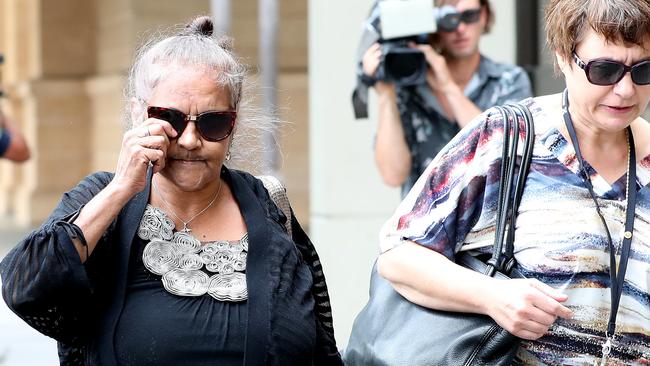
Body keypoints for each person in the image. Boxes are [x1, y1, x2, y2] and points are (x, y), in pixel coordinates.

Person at [1, 16, 342, 366]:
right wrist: (121, 188)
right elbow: (24, 287)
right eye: (171, 120)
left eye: (213, 122)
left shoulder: (268, 207)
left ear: (233, 123)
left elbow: (320, 348)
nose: (191, 140)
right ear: (139, 115)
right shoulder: (102, 199)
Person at [376, 0, 650, 364]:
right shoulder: (509, 137)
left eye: (644, 70)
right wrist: (491, 296)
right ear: (563, 57)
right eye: (604, 70)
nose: (626, 90)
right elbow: (398, 254)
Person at [359, 0, 532, 196]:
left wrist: (448, 88)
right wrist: (386, 94)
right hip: (425, 224)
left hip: (491, 222)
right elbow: (393, 175)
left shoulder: (508, 80)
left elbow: (509, 151)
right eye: (448, 20)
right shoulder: (410, 84)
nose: (460, 28)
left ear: (483, 15)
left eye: (469, 16)